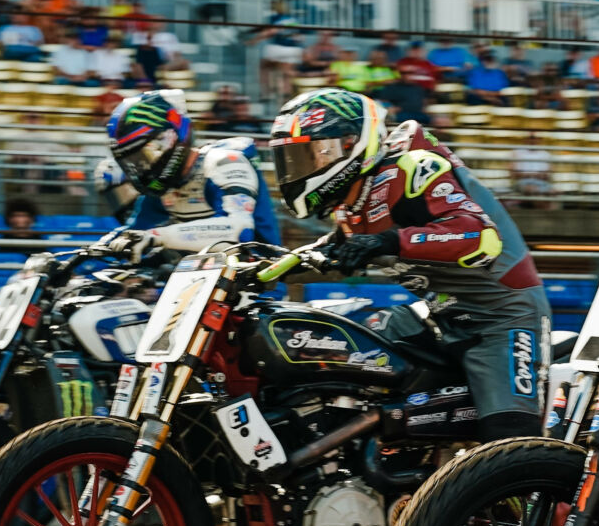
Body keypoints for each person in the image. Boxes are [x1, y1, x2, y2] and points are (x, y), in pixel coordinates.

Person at [267, 89, 550, 441]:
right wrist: (266, 265)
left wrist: (389, 242)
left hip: (501, 318)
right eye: (294, 159)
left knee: (511, 441)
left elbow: (479, 237)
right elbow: (333, 248)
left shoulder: (412, 168)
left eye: (312, 154)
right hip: (433, 316)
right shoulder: (351, 201)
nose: (302, 167)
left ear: (351, 143)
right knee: (320, 353)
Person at [99, 90, 280, 257]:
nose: (141, 168)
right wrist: (89, 256)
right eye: (132, 163)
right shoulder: (164, 188)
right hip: (199, 281)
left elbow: (238, 230)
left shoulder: (226, 161)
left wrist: (157, 236)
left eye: (144, 156)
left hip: (258, 282)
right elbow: (134, 230)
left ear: (171, 138)